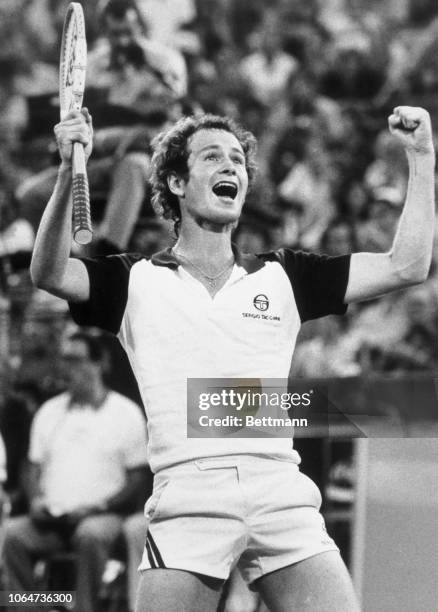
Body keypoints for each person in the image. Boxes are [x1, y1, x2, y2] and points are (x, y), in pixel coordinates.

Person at [30, 103, 435, 611]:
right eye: (212, 157)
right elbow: (48, 273)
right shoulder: (133, 279)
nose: (231, 167)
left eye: (238, 160)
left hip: (279, 490)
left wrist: (421, 156)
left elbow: (408, 265)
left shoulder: (285, 274)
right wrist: (69, 171)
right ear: (177, 184)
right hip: (188, 497)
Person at [2, 330, 149, 612]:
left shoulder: (125, 413)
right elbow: (31, 467)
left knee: (90, 534)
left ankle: (83, 609)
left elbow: (138, 480)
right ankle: (33, 608)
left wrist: (99, 506)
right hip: (52, 519)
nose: (66, 367)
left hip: (104, 516)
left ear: (98, 363)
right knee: (12, 534)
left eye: (75, 359)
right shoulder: (50, 411)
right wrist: (35, 500)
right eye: (64, 359)